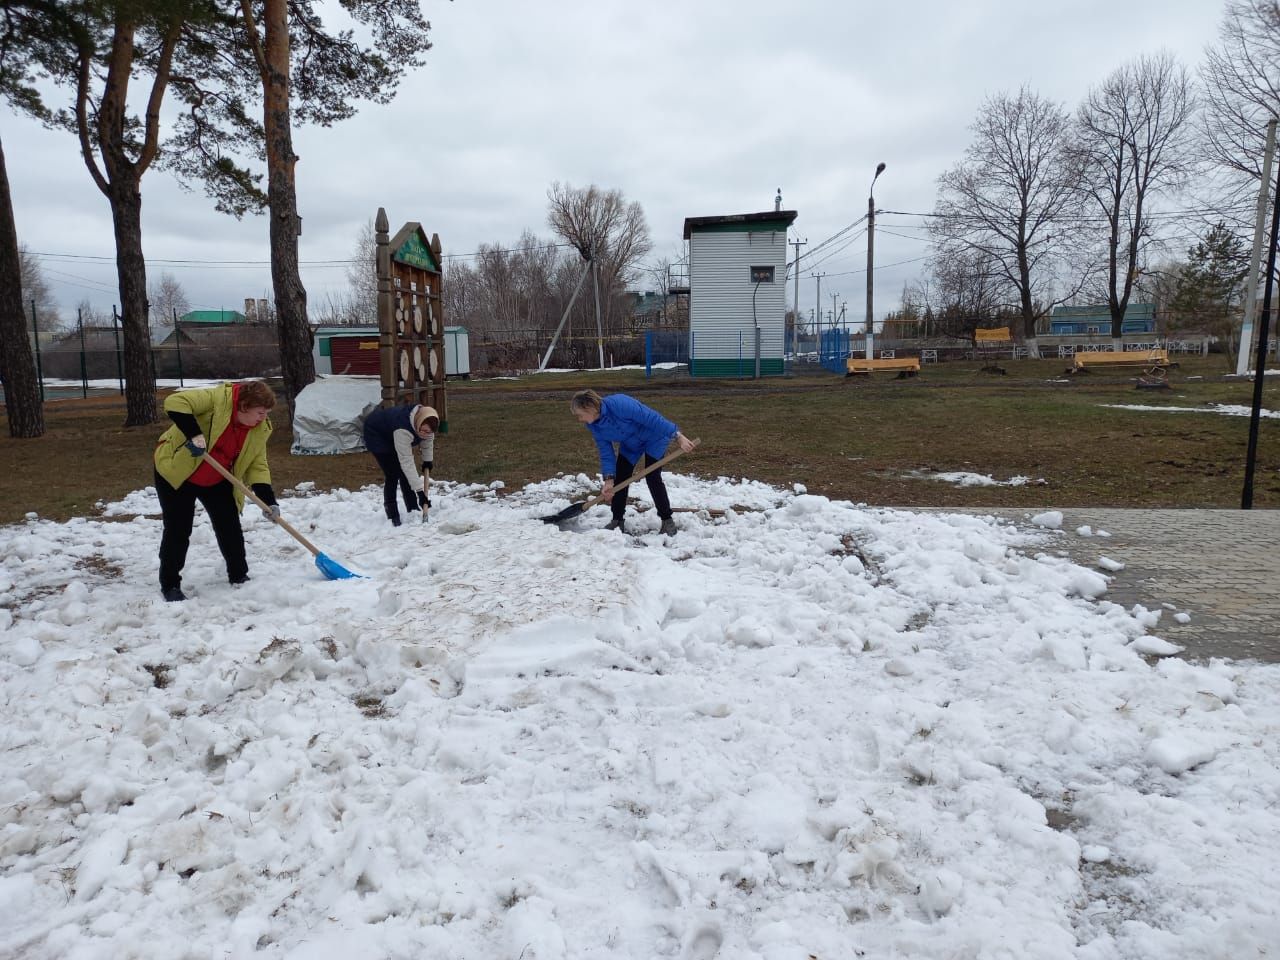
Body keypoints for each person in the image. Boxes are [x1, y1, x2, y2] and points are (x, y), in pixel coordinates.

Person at [153, 379, 279, 602]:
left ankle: (239, 575)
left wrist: (269, 501)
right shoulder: (217, 400)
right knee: (178, 528)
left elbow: (257, 465)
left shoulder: (259, 429)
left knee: (229, 524)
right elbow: (175, 401)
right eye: (260, 412)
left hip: (217, 476)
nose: (264, 418)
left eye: (266, 412)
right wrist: (194, 434)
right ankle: (170, 583)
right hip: (178, 471)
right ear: (243, 406)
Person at [570, 389, 695, 536]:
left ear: (589, 408)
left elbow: (652, 418)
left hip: (654, 438)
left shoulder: (620, 404)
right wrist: (609, 480)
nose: (580, 419)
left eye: (580, 415)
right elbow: (606, 452)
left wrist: (677, 436)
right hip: (631, 445)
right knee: (620, 478)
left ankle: (667, 520)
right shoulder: (594, 426)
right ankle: (617, 520)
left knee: (653, 477)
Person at [362, 402, 438, 526]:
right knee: (392, 474)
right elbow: (406, 461)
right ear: (418, 423)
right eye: (423, 431)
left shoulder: (427, 422)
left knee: (404, 474)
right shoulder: (403, 429)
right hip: (377, 434)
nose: (425, 434)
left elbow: (428, 442)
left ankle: (412, 507)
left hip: (392, 433)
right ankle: (393, 514)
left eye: (429, 432)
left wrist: (427, 461)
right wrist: (420, 492)